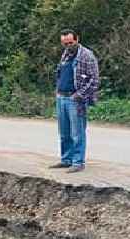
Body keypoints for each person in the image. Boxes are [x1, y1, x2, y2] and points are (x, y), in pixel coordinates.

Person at [50, 29, 99, 173]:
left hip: (75, 99)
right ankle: (66, 159)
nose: (68, 46)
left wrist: (79, 95)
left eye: (70, 43)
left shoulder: (87, 56)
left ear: (77, 40)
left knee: (77, 133)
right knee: (64, 132)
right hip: (62, 97)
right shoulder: (66, 54)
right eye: (64, 44)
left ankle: (78, 162)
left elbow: (94, 80)